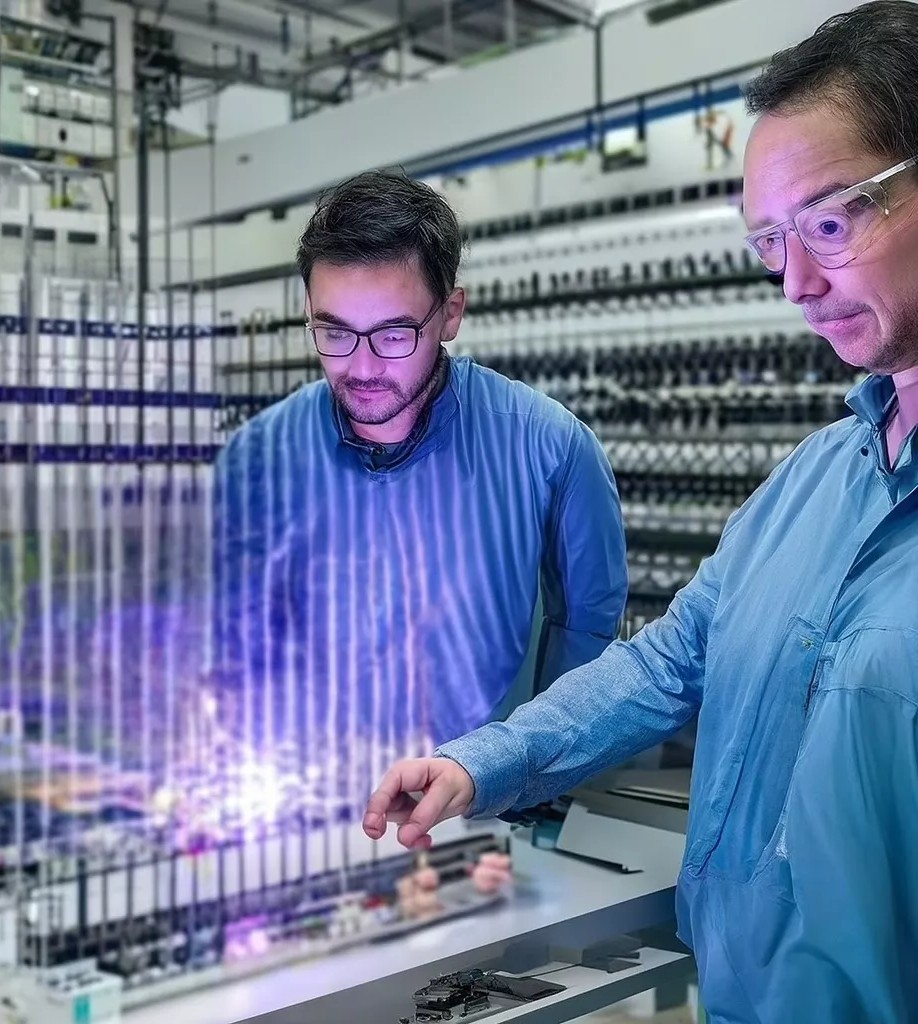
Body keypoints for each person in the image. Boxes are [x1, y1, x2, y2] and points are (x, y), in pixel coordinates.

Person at [363, 3, 918, 1021]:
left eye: (831, 223)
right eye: (770, 241)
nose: (796, 283)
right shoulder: (806, 486)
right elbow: (666, 663)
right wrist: (477, 762)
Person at [213, 170, 626, 809]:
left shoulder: (551, 449)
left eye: (393, 334)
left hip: (481, 814)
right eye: (334, 332)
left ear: (450, 314)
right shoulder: (258, 458)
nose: (362, 366)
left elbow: (587, 653)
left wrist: (528, 788)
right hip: (301, 813)